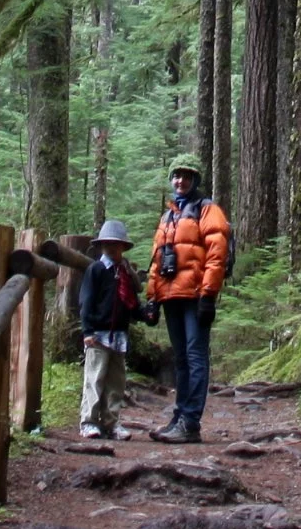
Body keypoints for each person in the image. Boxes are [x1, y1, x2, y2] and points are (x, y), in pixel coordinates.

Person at [147, 155, 231, 443]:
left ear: (195, 180)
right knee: (181, 359)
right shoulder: (168, 215)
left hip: (195, 296)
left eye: (185, 175)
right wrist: (152, 298)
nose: (179, 180)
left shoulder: (207, 210)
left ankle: (190, 422)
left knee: (195, 358)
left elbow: (217, 254)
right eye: (176, 176)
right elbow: (156, 260)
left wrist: (208, 295)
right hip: (171, 296)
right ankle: (179, 415)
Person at [78, 218, 139, 440]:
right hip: (98, 335)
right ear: (101, 246)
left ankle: (111, 422)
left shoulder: (126, 273)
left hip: (119, 335)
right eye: (107, 244)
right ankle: (89, 421)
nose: (112, 248)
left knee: (116, 381)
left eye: (116, 243)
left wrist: (145, 314)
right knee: (94, 378)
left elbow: (132, 302)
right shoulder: (96, 270)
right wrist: (87, 331)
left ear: (123, 246)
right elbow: (86, 302)